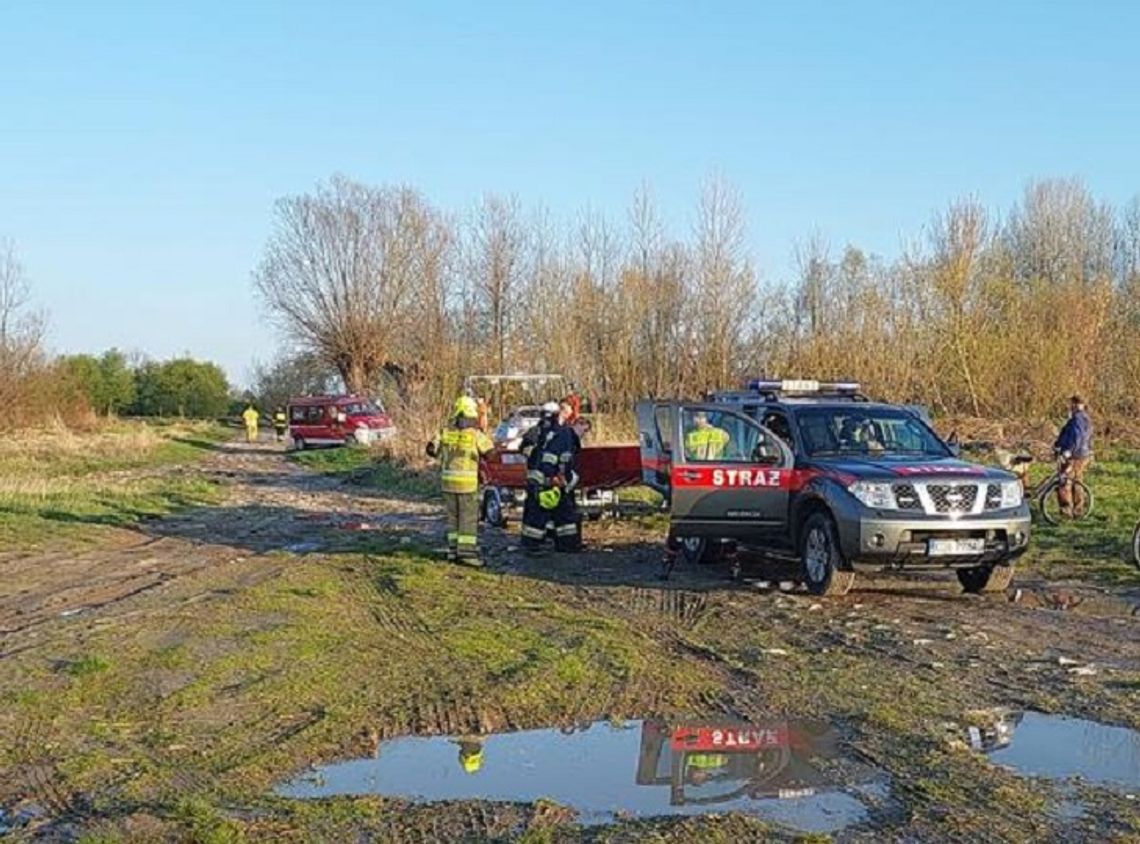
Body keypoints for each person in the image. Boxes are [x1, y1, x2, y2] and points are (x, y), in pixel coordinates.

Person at [426, 396, 495, 566]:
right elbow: (491, 453)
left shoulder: (445, 432)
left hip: (448, 483)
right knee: (468, 519)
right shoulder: (475, 434)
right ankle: (467, 554)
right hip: (467, 485)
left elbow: (431, 450)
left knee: (452, 517)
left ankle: (452, 551)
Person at [520, 402, 560, 551]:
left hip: (536, 478)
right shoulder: (556, 431)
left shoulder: (535, 431)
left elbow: (523, 449)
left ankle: (532, 539)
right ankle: (535, 541)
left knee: (536, 509)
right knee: (542, 509)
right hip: (546, 477)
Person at [1053, 394, 1093, 516]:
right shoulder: (1082, 418)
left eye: (1071, 403)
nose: (1070, 406)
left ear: (1076, 404)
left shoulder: (1078, 419)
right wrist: (1058, 444)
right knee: (1077, 481)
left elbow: (1078, 438)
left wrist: (1068, 451)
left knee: (1064, 480)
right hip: (1081, 455)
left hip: (1074, 455)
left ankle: (1067, 510)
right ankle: (1078, 510)